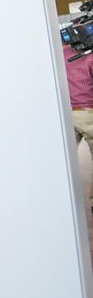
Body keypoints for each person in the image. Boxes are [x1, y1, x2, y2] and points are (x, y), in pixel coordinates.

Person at [64, 44, 93, 203]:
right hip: (88, 113)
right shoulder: (90, 55)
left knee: (64, 160)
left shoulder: (63, 53)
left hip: (66, 113)